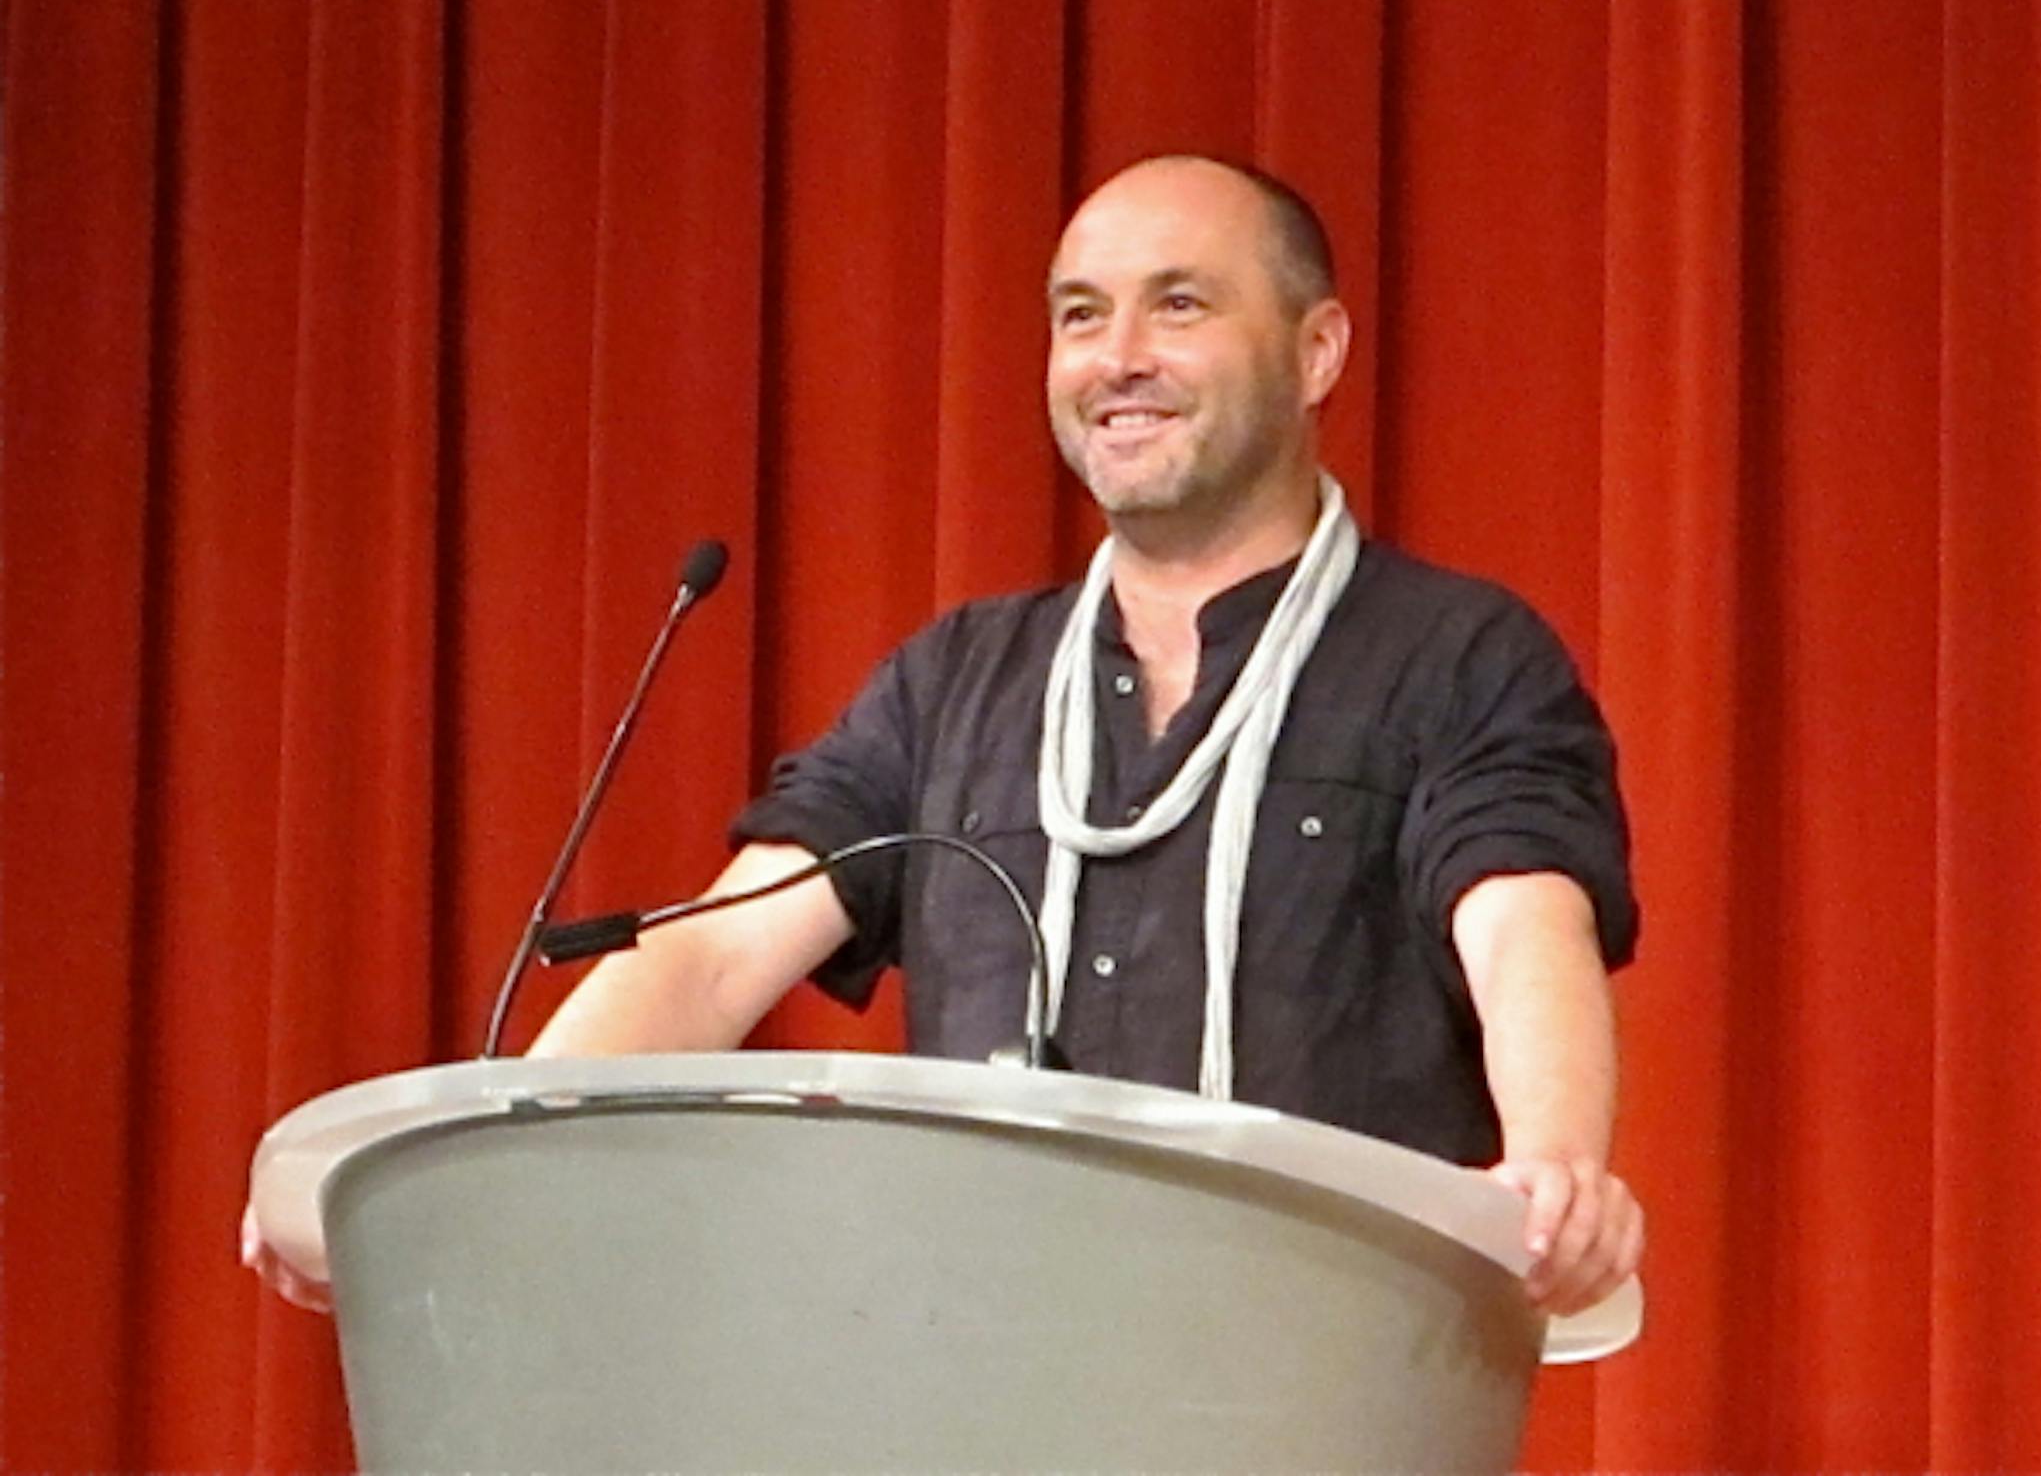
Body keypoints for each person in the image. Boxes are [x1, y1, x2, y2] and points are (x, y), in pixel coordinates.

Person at [524, 155, 1645, 1317]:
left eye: (1180, 303)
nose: (1119, 358)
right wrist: (496, 1148)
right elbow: (712, 955)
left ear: (1317, 352)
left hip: (1320, 1357)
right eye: (1080, 315)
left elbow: (1522, 924)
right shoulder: (956, 679)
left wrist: (1555, 1165)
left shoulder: (1458, 656)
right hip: (982, 1357)